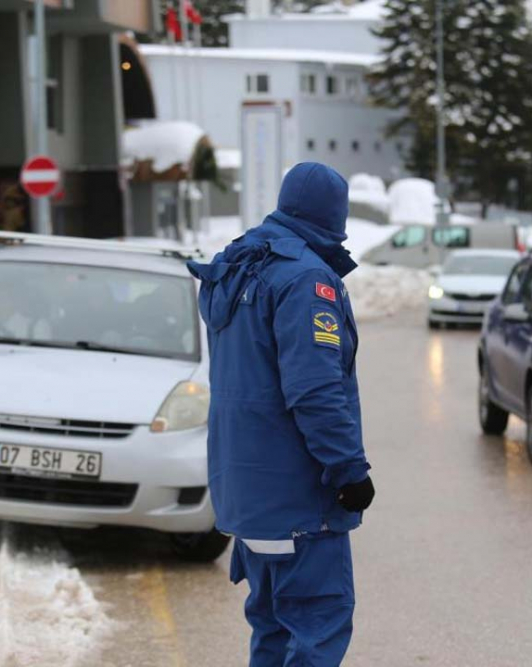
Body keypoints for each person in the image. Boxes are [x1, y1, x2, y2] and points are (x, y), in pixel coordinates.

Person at [187, 163, 375, 666]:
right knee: (319, 621)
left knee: (272, 627)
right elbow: (315, 391)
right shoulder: (306, 281)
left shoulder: (239, 266)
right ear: (335, 216)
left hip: (247, 494)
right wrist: (349, 470)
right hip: (297, 499)